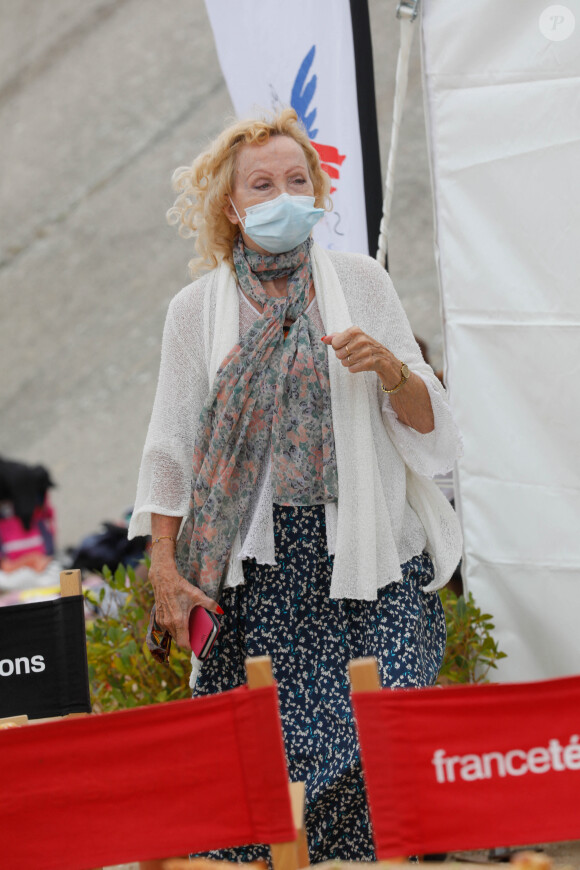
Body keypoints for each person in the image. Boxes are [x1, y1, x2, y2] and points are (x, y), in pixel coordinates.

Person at [128, 108, 463, 862]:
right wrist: (164, 567)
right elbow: (170, 448)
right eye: (262, 183)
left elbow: (430, 429)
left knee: (384, 746)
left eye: (296, 179)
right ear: (230, 204)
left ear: (317, 188)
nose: (283, 193)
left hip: (368, 559)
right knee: (270, 780)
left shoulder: (360, 284)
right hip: (261, 577)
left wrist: (392, 368)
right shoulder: (195, 313)